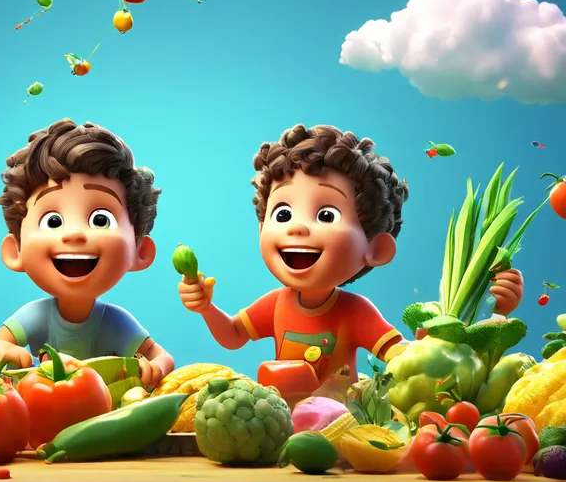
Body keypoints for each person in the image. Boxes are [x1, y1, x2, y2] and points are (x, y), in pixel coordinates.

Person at [178, 124, 524, 404]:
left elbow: (405, 359)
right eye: (282, 213)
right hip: (278, 419)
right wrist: (207, 308)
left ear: (375, 248)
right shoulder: (276, 303)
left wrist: (488, 316)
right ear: (261, 227)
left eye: (327, 214)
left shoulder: (355, 312)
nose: (297, 227)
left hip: (342, 426)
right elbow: (234, 336)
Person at [0, 118, 174, 388]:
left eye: (101, 219)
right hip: (45, 407)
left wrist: (153, 367)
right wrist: (9, 352)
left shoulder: (115, 322)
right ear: (16, 250)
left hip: (105, 412)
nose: (74, 234)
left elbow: (162, 357)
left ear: (139, 252)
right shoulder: (35, 317)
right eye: (53, 221)